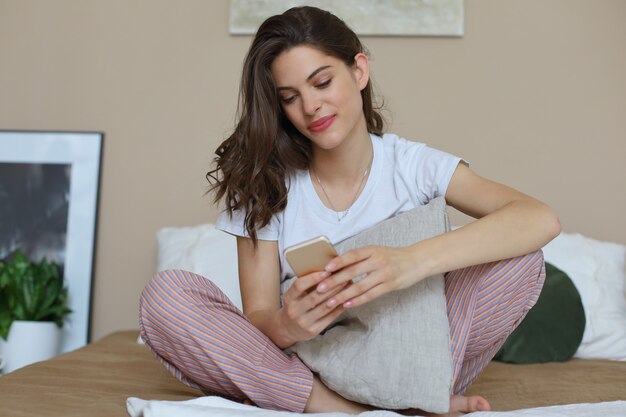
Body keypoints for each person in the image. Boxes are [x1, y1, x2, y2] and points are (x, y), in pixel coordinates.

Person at [139, 6, 560, 416]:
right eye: (290, 97)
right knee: (167, 297)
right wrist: (288, 325)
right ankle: (353, 407)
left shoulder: (413, 165)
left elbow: (538, 217)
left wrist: (409, 263)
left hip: (414, 350)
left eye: (322, 82)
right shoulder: (264, 186)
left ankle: (403, 389)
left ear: (359, 71)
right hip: (310, 365)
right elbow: (260, 319)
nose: (311, 107)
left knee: (522, 258)